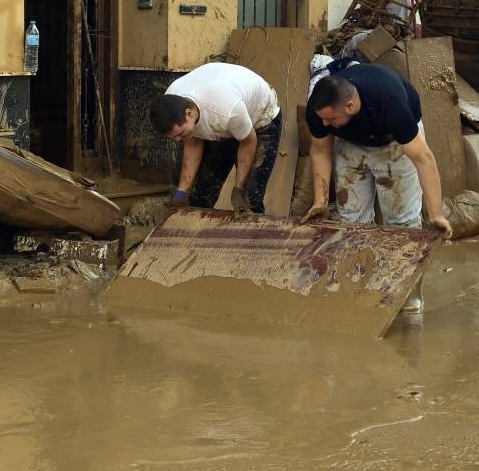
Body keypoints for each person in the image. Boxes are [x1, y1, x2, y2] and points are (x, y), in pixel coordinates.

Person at [302, 63, 452, 312]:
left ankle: (408, 294)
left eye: (330, 119)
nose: (325, 124)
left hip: (394, 143)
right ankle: (359, 288)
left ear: (349, 106)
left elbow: (423, 159)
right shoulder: (320, 111)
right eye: (322, 119)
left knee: (401, 222)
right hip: (351, 145)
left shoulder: (390, 103)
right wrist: (319, 201)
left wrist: (436, 214)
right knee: (351, 220)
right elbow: (319, 150)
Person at [149, 62, 282, 214]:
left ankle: (252, 235)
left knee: (249, 200)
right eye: (175, 137)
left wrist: (239, 189)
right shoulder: (172, 101)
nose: (178, 140)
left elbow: (248, 142)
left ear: (189, 114)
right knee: (201, 196)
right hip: (223, 115)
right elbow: (193, 144)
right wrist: (182, 192)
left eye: (180, 134)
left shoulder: (226, 110)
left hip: (261, 117)